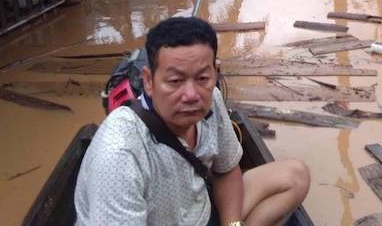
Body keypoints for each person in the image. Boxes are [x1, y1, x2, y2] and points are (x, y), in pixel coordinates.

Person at [74, 17, 310, 226]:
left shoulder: (212, 99)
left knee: (294, 176)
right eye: (175, 81)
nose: (191, 95)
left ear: (214, 74)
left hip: (201, 209)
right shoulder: (118, 156)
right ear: (148, 81)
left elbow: (227, 170)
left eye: (202, 78)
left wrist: (233, 224)